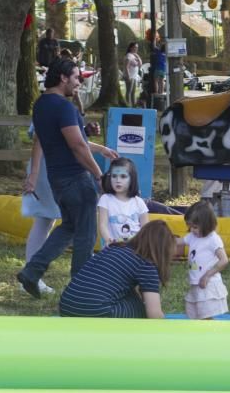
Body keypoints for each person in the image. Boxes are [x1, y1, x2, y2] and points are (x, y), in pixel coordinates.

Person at [16, 58, 118, 298]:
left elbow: (58, 140)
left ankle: (32, 272)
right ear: (63, 78)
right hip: (77, 179)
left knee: (68, 227)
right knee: (86, 234)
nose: (79, 83)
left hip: (57, 180)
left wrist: (96, 145)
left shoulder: (40, 105)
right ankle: (80, 289)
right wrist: (99, 175)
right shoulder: (64, 108)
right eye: (76, 78)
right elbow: (78, 147)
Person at [58, 221, 176, 319]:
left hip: (67, 307)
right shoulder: (146, 264)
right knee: (141, 309)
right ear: (163, 251)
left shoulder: (114, 248)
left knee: (130, 294)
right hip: (96, 312)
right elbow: (154, 315)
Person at [21, 126, 60, 293]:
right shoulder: (47, 107)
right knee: (45, 220)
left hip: (52, 168)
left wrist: (101, 149)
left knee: (46, 221)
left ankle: (31, 274)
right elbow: (39, 140)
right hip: (47, 170)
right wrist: (34, 175)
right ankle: (31, 274)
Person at [179, 201, 229, 320]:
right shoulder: (192, 236)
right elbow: (178, 242)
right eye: (189, 226)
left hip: (208, 284)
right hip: (196, 284)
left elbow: (224, 260)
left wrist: (207, 276)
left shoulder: (213, 239)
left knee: (206, 317)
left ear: (206, 224)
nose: (192, 230)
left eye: (195, 227)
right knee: (194, 315)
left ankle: (210, 337)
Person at [97, 158, 149, 245]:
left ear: (132, 179)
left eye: (123, 176)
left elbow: (146, 228)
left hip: (135, 249)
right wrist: (109, 240)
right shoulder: (105, 199)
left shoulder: (139, 202)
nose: (118, 180)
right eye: (114, 176)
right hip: (113, 249)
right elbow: (102, 225)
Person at [123, 42, 142, 107]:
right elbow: (126, 66)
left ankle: (133, 106)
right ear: (131, 48)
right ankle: (128, 105)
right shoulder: (129, 56)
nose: (136, 49)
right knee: (129, 91)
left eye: (137, 47)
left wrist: (138, 56)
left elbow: (140, 65)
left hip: (134, 76)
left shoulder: (134, 56)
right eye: (135, 47)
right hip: (129, 76)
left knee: (133, 92)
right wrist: (128, 76)